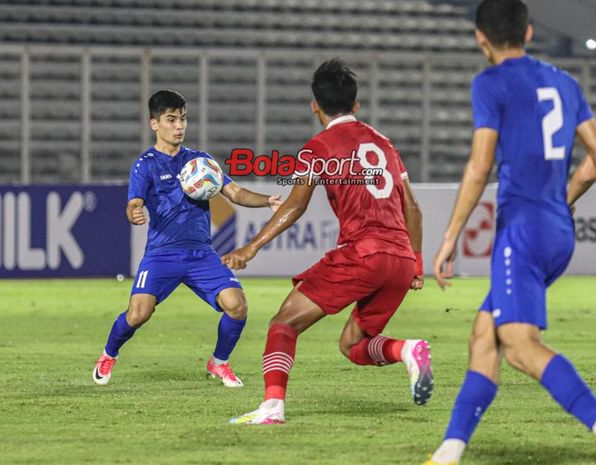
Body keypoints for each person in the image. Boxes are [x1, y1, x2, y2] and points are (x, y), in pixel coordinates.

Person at [423, 1, 596, 464]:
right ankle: (450, 450)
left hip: (521, 230)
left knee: (519, 346)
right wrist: (566, 197)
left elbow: (480, 166)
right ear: (530, 32)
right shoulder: (564, 82)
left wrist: (449, 237)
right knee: (485, 335)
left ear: (481, 37)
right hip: (557, 230)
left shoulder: (490, 83)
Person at [224, 58, 430, 425]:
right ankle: (407, 350)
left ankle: (272, 407)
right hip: (399, 258)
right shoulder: (385, 145)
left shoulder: (318, 148)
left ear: (314, 105)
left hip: (362, 254)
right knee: (352, 344)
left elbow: (295, 205)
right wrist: (416, 260)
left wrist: (251, 247)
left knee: (283, 324)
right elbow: (412, 208)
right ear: (356, 105)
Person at [92, 90, 282, 388]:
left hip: (200, 253)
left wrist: (266, 200)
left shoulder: (201, 161)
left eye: (183, 119)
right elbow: (133, 204)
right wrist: (135, 212)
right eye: (171, 120)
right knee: (139, 314)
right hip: (161, 253)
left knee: (237, 305)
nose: (179, 126)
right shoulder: (146, 164)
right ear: (155, 124)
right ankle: (108, 354)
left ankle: (219, 363)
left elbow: (233, 193)